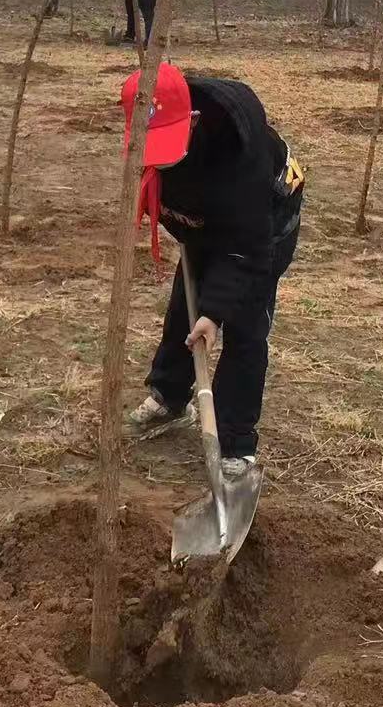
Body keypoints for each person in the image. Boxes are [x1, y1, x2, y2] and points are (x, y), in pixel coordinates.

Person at [122, 63, 305, 477]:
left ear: (194, 120)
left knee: (244, 325)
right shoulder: (150, 141)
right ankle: (169, 395)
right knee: (185, 307)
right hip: (204, 219)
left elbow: (246, 250)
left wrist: (215, 312)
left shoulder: (242, 159)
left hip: (264, 228)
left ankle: (236, 441)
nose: (159, 160)